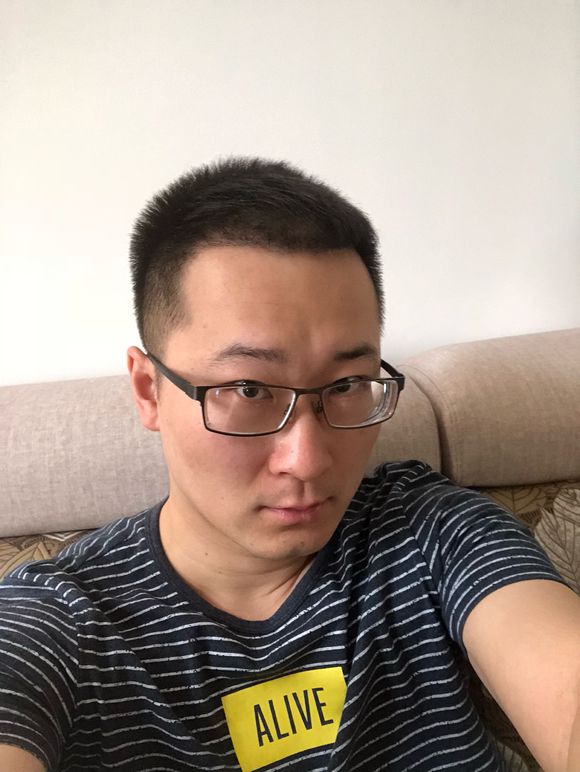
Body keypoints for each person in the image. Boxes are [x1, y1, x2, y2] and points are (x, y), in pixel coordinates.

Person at [0, 158, 579, 772]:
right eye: (248, 389)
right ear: (149, 391)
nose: (307, 461)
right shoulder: (56, 619)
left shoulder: (427, 529)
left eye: (347, 384)